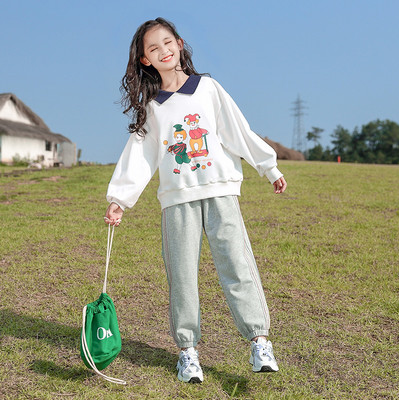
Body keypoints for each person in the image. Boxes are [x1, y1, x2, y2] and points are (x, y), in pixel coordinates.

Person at [105, 17, 287, 384]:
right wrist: (119, 199)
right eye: (153, 48)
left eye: (168, 43)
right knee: (182, 278)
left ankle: (259, 342)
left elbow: (238, 130)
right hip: (177, 201)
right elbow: (139, 156)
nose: (164, 51)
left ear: (180, 44)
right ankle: (188, 352)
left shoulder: (208, 88)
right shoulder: (154, 107)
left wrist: (268, 167)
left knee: (237, 266)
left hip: (220, 191)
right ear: (145, 60)